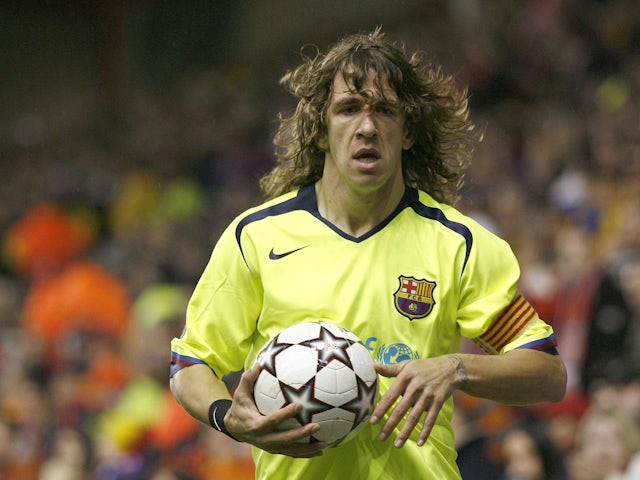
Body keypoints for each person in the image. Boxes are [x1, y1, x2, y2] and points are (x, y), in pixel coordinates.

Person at [169, 28, 567, 479]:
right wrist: (227, 416)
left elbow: (547, 372)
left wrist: (456, 368)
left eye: (385, 111)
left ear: (409, 132)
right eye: (349, 109)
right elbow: (190, 363)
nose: (367, 127)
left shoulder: (457, 244)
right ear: (320, 131)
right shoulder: (256, 238)